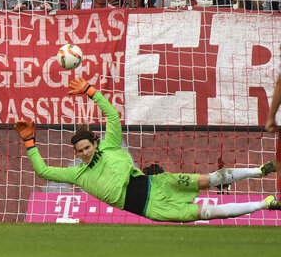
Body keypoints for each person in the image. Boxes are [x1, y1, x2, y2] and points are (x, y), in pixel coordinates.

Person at [15, 77, 281, 223]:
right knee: (207, 213)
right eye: (80, 151)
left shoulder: (109, 146)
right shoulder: (78, 176)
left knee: (210, 180)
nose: (84, 153)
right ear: (76, 155)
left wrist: (91, 91)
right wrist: (30, 143)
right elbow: (42, 170)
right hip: (151, 209)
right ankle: (265, 204)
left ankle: (259, 171)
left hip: (157, 184)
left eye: (86, 147)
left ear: (95, 143)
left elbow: (112, 117)